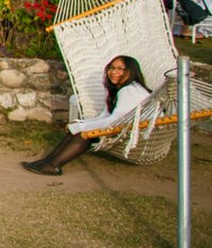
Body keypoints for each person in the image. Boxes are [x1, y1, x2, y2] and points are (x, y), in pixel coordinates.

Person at [21, 55, 150, 176]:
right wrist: (79, 124)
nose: (113, 72)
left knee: (84, 135)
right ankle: (48, 162)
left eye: (120, 69)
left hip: (133, 134)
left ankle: (54, 165)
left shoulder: (129, 90)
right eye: (111, 68)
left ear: (131, 71)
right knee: (79, 129)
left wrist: (81, 128)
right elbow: (104, 116)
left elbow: (115, 121)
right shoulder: (123, 89)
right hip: (126, 128)